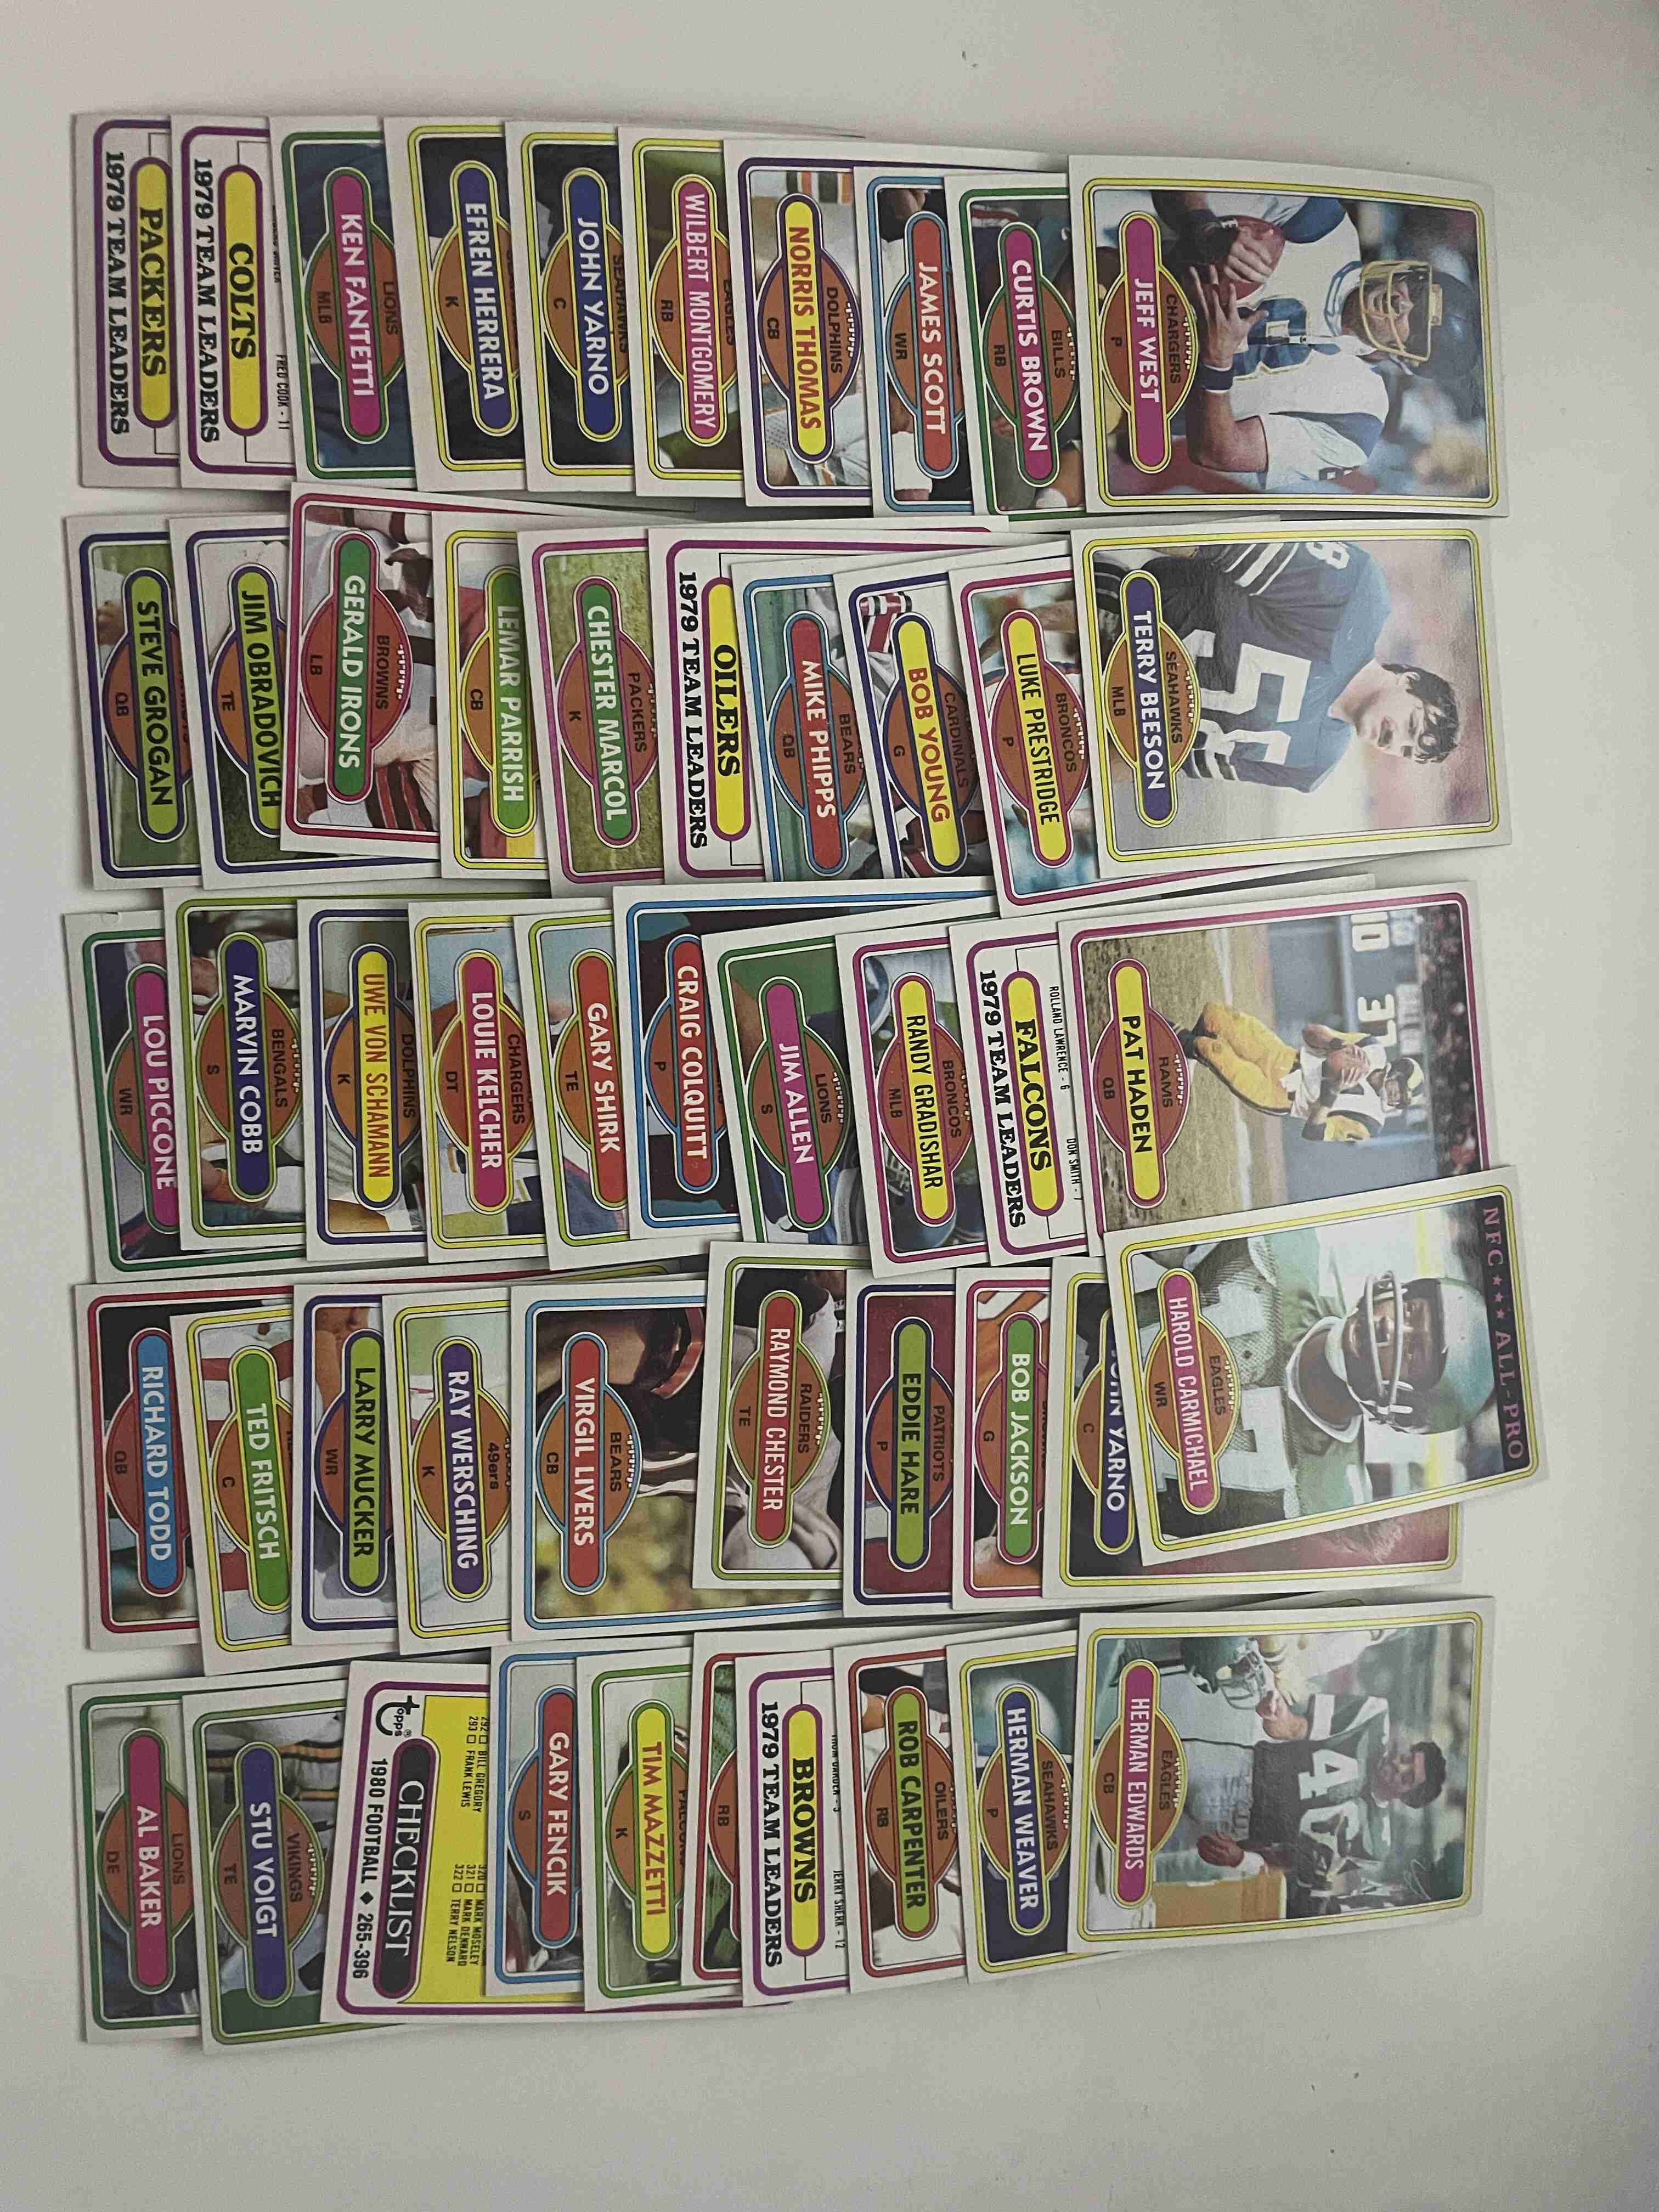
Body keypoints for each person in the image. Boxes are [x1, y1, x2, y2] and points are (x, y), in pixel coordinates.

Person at [1131, 1233, 1495, 1533]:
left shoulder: (1324, 1504)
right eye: (1411, 1310)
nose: (1392, 1327)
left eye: (1414, 1352)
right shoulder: (1288, 1257)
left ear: (1407, 1408)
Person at [1177, 1002, 1424, 1142]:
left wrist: (1331, 1092)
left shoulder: (1371, 1123)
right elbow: (1309, 1033)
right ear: (1397, 1072)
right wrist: (1336, 1045)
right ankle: (1183, 1056)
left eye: (1401, 1101)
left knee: (1212, 1050)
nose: (1396, 1098)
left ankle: (1182, 1048)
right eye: (1400, 1090)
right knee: (1215, 1015)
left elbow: (1313, 1132)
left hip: (1281, 1095)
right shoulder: (1371, 1048)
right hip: (1283, 1057)